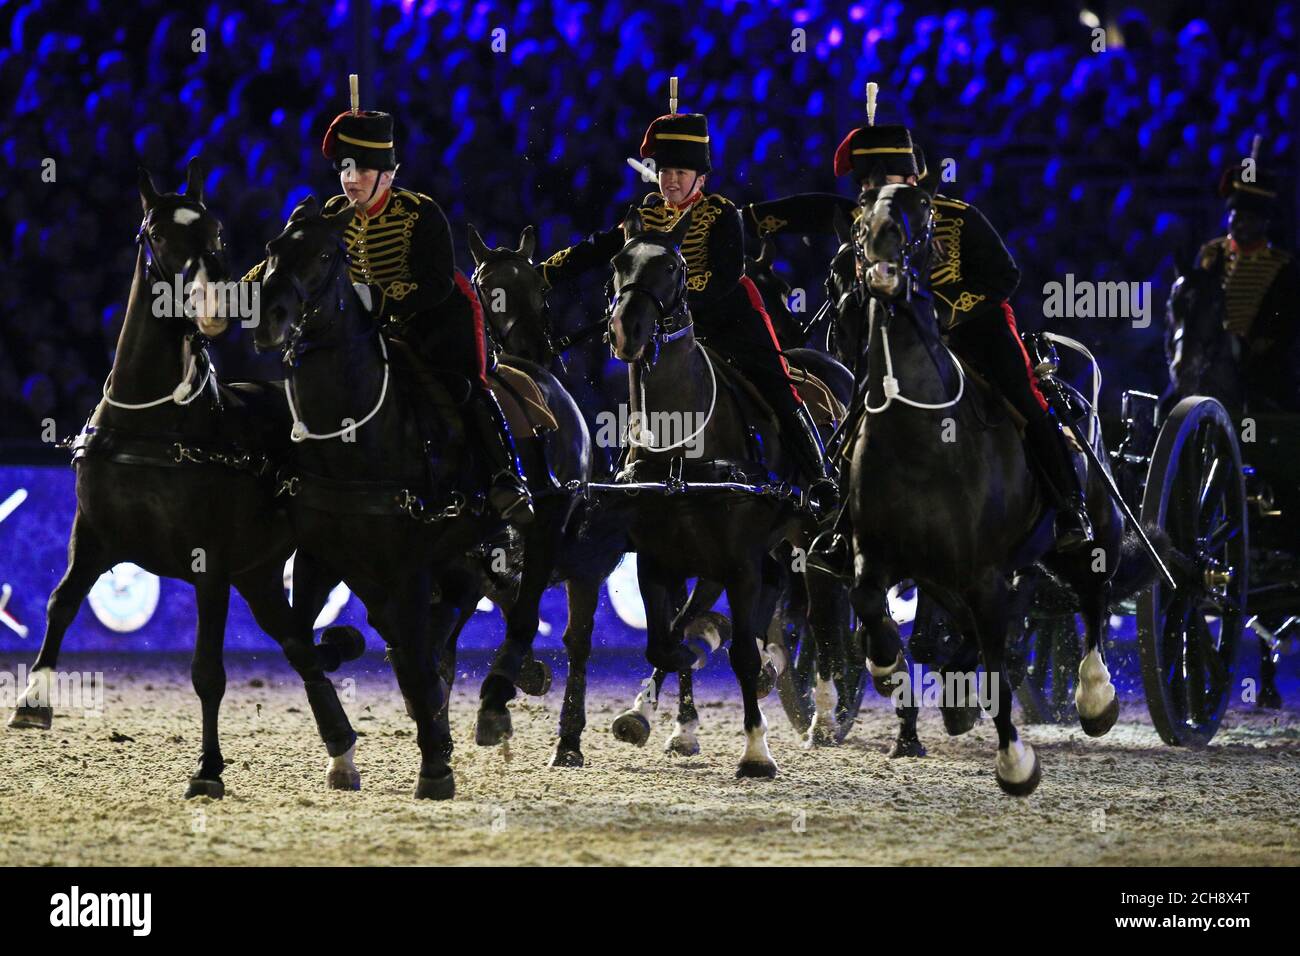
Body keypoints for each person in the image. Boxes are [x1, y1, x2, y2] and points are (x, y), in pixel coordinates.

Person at [754, 121, 1094, 573]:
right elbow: (803, 211)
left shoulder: (959, 217)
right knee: (854, 422)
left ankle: (1071, 508)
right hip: (900, 348)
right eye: (868, 183)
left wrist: (947, 314)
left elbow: (1004, 277)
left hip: (974, 333)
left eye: (885, 181)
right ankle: (841, 522)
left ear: (913, 180)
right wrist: (748, 218)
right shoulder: (859, 222)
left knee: (1025, 401)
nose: (875, 191)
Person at [244, 95, 533, 524]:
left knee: (464, 386)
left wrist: (378, 300)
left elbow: (435, 283)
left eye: (362, 169)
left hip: (434, 320)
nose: (352, 179)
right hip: (363, 329)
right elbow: (283, 264)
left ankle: (505, 476)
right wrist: (242, 293)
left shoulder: (420, 213)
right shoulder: (328, 215)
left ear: (390, 173)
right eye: (345, 168)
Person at [537, 109, 835, 505]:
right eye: (665, 171)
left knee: (776, 385)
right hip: (667, 327)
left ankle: (819, 477)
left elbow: (725, 278)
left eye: (681, 172)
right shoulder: (643, 215)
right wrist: (544, 273)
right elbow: (599, 249)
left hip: (728, 319)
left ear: (701, 177)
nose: (671, 179)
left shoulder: (722, 213)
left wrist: (669, 307)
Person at [1195, 160, 1300, 411]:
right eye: (1237, 216)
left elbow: (1282, 324)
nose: (1241, 224)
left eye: (1250, 218)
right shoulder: (1211, 254)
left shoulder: (1283, 266)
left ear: (1263, 223)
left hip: (1258, 365)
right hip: (1206, 355)